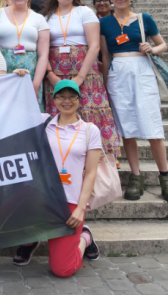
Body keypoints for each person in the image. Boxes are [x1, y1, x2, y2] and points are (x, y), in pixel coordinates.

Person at [100, 0, 168, 203]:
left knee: (153, 126)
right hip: (118, 72)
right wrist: (106, 84)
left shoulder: (144, 19)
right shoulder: (105, 23)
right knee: (127, 128)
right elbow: (105, 56)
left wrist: (152, 48)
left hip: (142, 70)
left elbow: (162, 44)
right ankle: (136, 177)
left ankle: (165, 177)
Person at [13, 80, 101, 274]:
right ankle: (29, 242)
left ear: (79, 99)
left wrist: (80, 209)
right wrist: (19, 80)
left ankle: (85, 238)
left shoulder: (89, 131)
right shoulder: (44, 122)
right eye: (61, 96)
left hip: (69, 202)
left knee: (63, 269)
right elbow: (13, 111)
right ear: (54, 99)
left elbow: (91, 172)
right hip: (41, 199)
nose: (66, 101)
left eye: (71, 96)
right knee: (9, 215)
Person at [43, 0, 120, 158]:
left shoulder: (84, 12)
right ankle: (62, 157)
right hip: (56, 71)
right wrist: (50, 74)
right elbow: (42, 48)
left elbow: (94, 46)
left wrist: (80, 77)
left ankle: (99, 159)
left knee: (89, 111)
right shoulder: (46, 16)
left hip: (83, 70)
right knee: (60, 111)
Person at [0, 0, 49, 108]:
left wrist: (36, 84)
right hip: (1, 71)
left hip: (30, 73)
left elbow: (43, 55)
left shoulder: (39, 19)